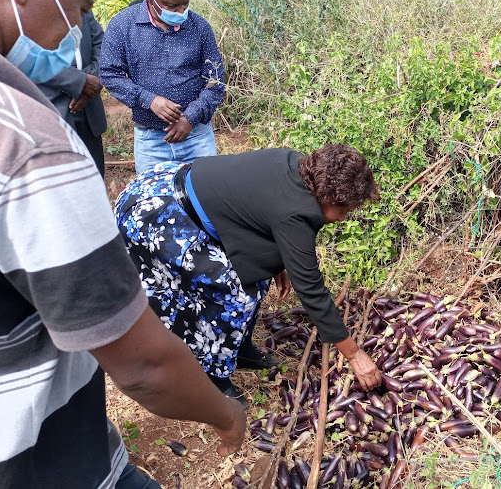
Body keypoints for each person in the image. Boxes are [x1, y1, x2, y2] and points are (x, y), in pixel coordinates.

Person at [0, 0, 245, 487]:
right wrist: (227, 416)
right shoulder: (26, 145)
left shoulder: (199, 29)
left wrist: (194, 115)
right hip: (37, 461)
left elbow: (214, 78)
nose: (74, 31)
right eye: (76, 9)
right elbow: (142, 367)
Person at [114, 145, 384, 403]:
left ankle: (238, 351)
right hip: (159, 213)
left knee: (254, 280)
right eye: (343, 210)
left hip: (169, 188)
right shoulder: (298, 213)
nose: (342, 218)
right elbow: (312, 290)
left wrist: (280, 261)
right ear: (328, 197)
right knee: (227, 295)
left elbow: (259, 213)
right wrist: (354, 354)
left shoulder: (297, 165)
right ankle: (212, 375)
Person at [100, 0, 225, 174]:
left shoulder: (200, 27)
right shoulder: (122, 26)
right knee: (156, 203)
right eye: (172, 6)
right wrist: (149, 100)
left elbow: (215, 80)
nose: (181, 11)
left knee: (204, 201)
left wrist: (190, 118)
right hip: (151, 143)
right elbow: (109, 74)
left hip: (197, 138)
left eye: (185, 4)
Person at [37, 10, 108, 176]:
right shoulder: (29, 10)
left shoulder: (81, 9)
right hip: (53, 108)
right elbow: (32, 58)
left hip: (89, 111)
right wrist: (80, 82)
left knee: (94, 176)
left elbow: (102, 44)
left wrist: (89, 81)